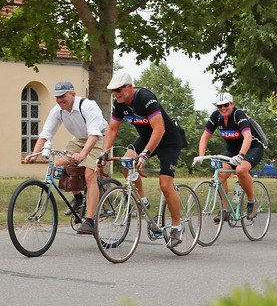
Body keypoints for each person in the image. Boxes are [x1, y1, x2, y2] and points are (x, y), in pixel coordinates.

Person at [98, 71, 187, 249]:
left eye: (118, 90)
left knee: (165, 184)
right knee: (126, 161)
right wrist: (104, 153)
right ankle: (142, 199)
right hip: (147, 139)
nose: (115, 93)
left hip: (168, 141)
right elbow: (112, 130)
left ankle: (177, 226)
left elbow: (159, 130)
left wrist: (145, 154)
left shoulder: (146, 98)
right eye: (113, 91)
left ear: (130, 87)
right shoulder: (119, 104)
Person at [25, 81, 108, 234]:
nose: (60, 100)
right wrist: (34, 154)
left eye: (63, 96)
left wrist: (82, 155)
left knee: (90, 175)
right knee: (59, 164)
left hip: (99, 137)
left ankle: (89, 221)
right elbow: (46, 134)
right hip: (78, 139)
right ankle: (78, 197)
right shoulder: (58, 110)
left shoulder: (88, 106)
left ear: (73, 95)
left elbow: (94, 135)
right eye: (57, 97)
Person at [194, 92, 264, 222]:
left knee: (241, 170)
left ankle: (252, 201)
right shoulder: (216, 117)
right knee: (220, 174)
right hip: (232, 151)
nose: (223, 108)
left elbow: (248, 137)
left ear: (232, 104)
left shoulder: (238, 115)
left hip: (252, 148)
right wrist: (201, 155)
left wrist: (241, 155)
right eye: (220, 106)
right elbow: (205, 136)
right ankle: (224, 211)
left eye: (226, 105)